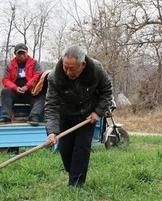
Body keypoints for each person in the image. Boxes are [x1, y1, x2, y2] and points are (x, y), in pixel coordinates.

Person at [44, 46, 113, 187]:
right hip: (65, 116)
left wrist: (98, 112)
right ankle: (73, 174)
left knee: (81, 150)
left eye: (73, 69)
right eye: (66, 67)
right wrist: (52, 132)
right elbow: (51, 105)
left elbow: (107, 91)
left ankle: (76, 185)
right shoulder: (54, 77)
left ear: (83, 65)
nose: (68, 72)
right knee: (65, 151)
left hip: (87, 117)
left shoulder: (96, 70)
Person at [0, 43, 46, 125]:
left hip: (31, 92)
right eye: (19, 53)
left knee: (42, 93)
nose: (22, 55)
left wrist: (27, 86)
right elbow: (5, 80)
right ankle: (6, 117)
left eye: (24, 53)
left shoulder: (35, 64)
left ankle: (34, 116)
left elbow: (37, 76)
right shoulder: (10, 65)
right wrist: (15, 88)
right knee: (5, 91)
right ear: (15, 54)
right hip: (15, 92)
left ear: (27, 53)